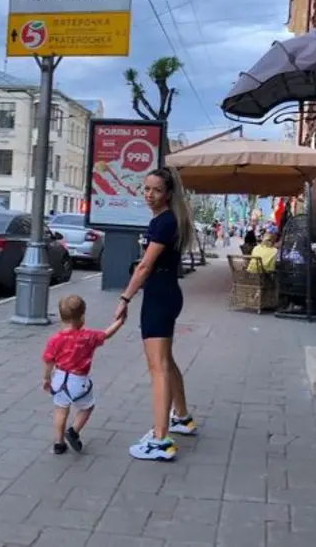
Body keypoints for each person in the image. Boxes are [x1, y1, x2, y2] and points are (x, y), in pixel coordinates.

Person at [114, 165, 197, 462]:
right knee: (166, 361)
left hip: (159, 298)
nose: (149, 195)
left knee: (157, 368)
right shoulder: (169, 220)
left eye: (156, 190)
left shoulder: (163, 223)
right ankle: (182, 418)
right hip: (167, 295)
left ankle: (161, 439)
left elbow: (145, 266)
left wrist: (125, 297)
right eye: (146, 189)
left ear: (168, 194)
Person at [42, 294, 124, 455]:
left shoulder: (55, 339)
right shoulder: (89, 336)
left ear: (61, 316)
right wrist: (119, 322)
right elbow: (106, 334)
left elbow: (48, 361)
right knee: (87, 407)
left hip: (59, 378)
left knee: (60, 411)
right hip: (78, 380)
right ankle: (73, 431)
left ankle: (59, 443)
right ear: (82, 316)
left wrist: (46, 378)